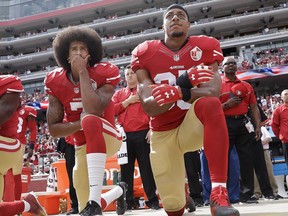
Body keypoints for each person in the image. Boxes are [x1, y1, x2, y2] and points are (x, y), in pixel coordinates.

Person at [131, 4, 239, 216]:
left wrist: (180, 92)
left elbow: (213, 93)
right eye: (169, 16)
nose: (175, 18)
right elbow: (150, 107)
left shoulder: (204, 47)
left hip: (193, 125)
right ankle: (182, 194)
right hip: (163, 133)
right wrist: (183, 82)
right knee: (173, 208)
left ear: (189, 24)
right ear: (163, 25)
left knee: (210, 104)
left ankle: (218, 193)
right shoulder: (146, 52)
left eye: (181, 15)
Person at [44, 26, 127, 216]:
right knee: (85, 207)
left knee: (89, 118)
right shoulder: (54, 80)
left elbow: (94, 109)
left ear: (90, 54)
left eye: (83, 49)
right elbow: (54, 130)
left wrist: (82, 73)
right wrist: (79, 124)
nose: (79, 53)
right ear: (66, 54)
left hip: (108, 136)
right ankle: (119, 191)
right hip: (81, 143)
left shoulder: (105, 71)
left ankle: (97, 201)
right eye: (74, 49)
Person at [112, 64, 160, 210]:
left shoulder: (144, 90)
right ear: (124, 77)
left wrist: (152, 128)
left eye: (133, 73)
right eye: (128, 74)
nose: (130, 76)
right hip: (124, 136)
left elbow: (154, 109)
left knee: (146, 169)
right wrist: (127, 102)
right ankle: (128, 202)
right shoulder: (119, 94)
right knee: (125, 170)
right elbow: (111, 110)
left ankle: (152, 200)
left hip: (142, 133)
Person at [220, 56, 262, 203]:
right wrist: (226, 105)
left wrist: (258, 126)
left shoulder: (246, 85)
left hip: (243, 123)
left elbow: (254, 107)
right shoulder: (217, 84)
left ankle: (246, 194)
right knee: (223, 161)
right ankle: (222, 195)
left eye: (233, 63)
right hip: (224, 123)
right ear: (222, 67)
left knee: (246, 159)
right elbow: (210, 108)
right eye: (227, 64)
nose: (231, 65)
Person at [3, 101, 38, 202]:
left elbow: (33, 129)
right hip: (6, 141)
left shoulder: (27, 110)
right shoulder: (8, 110)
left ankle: (17, 203)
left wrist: (31, 145)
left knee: (16, 173)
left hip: (19, 143)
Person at [0, 75, 24, 202]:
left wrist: (31, 143)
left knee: (16, 175)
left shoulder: (7, 82)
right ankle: (26, 205)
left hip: (8, 142)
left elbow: (6, 110)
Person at [56, 137, 79, 215]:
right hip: (70, 143)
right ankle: (75, 205)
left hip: (81, 140)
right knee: (72, 176)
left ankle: (88, 202)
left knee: (82, 175)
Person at [271, 89, 288, 167]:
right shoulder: (278, 111)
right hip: (286, 141)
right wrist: (281, 136)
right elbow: (274, 126)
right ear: (281, 97)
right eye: (286, 94)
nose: (287, 95)